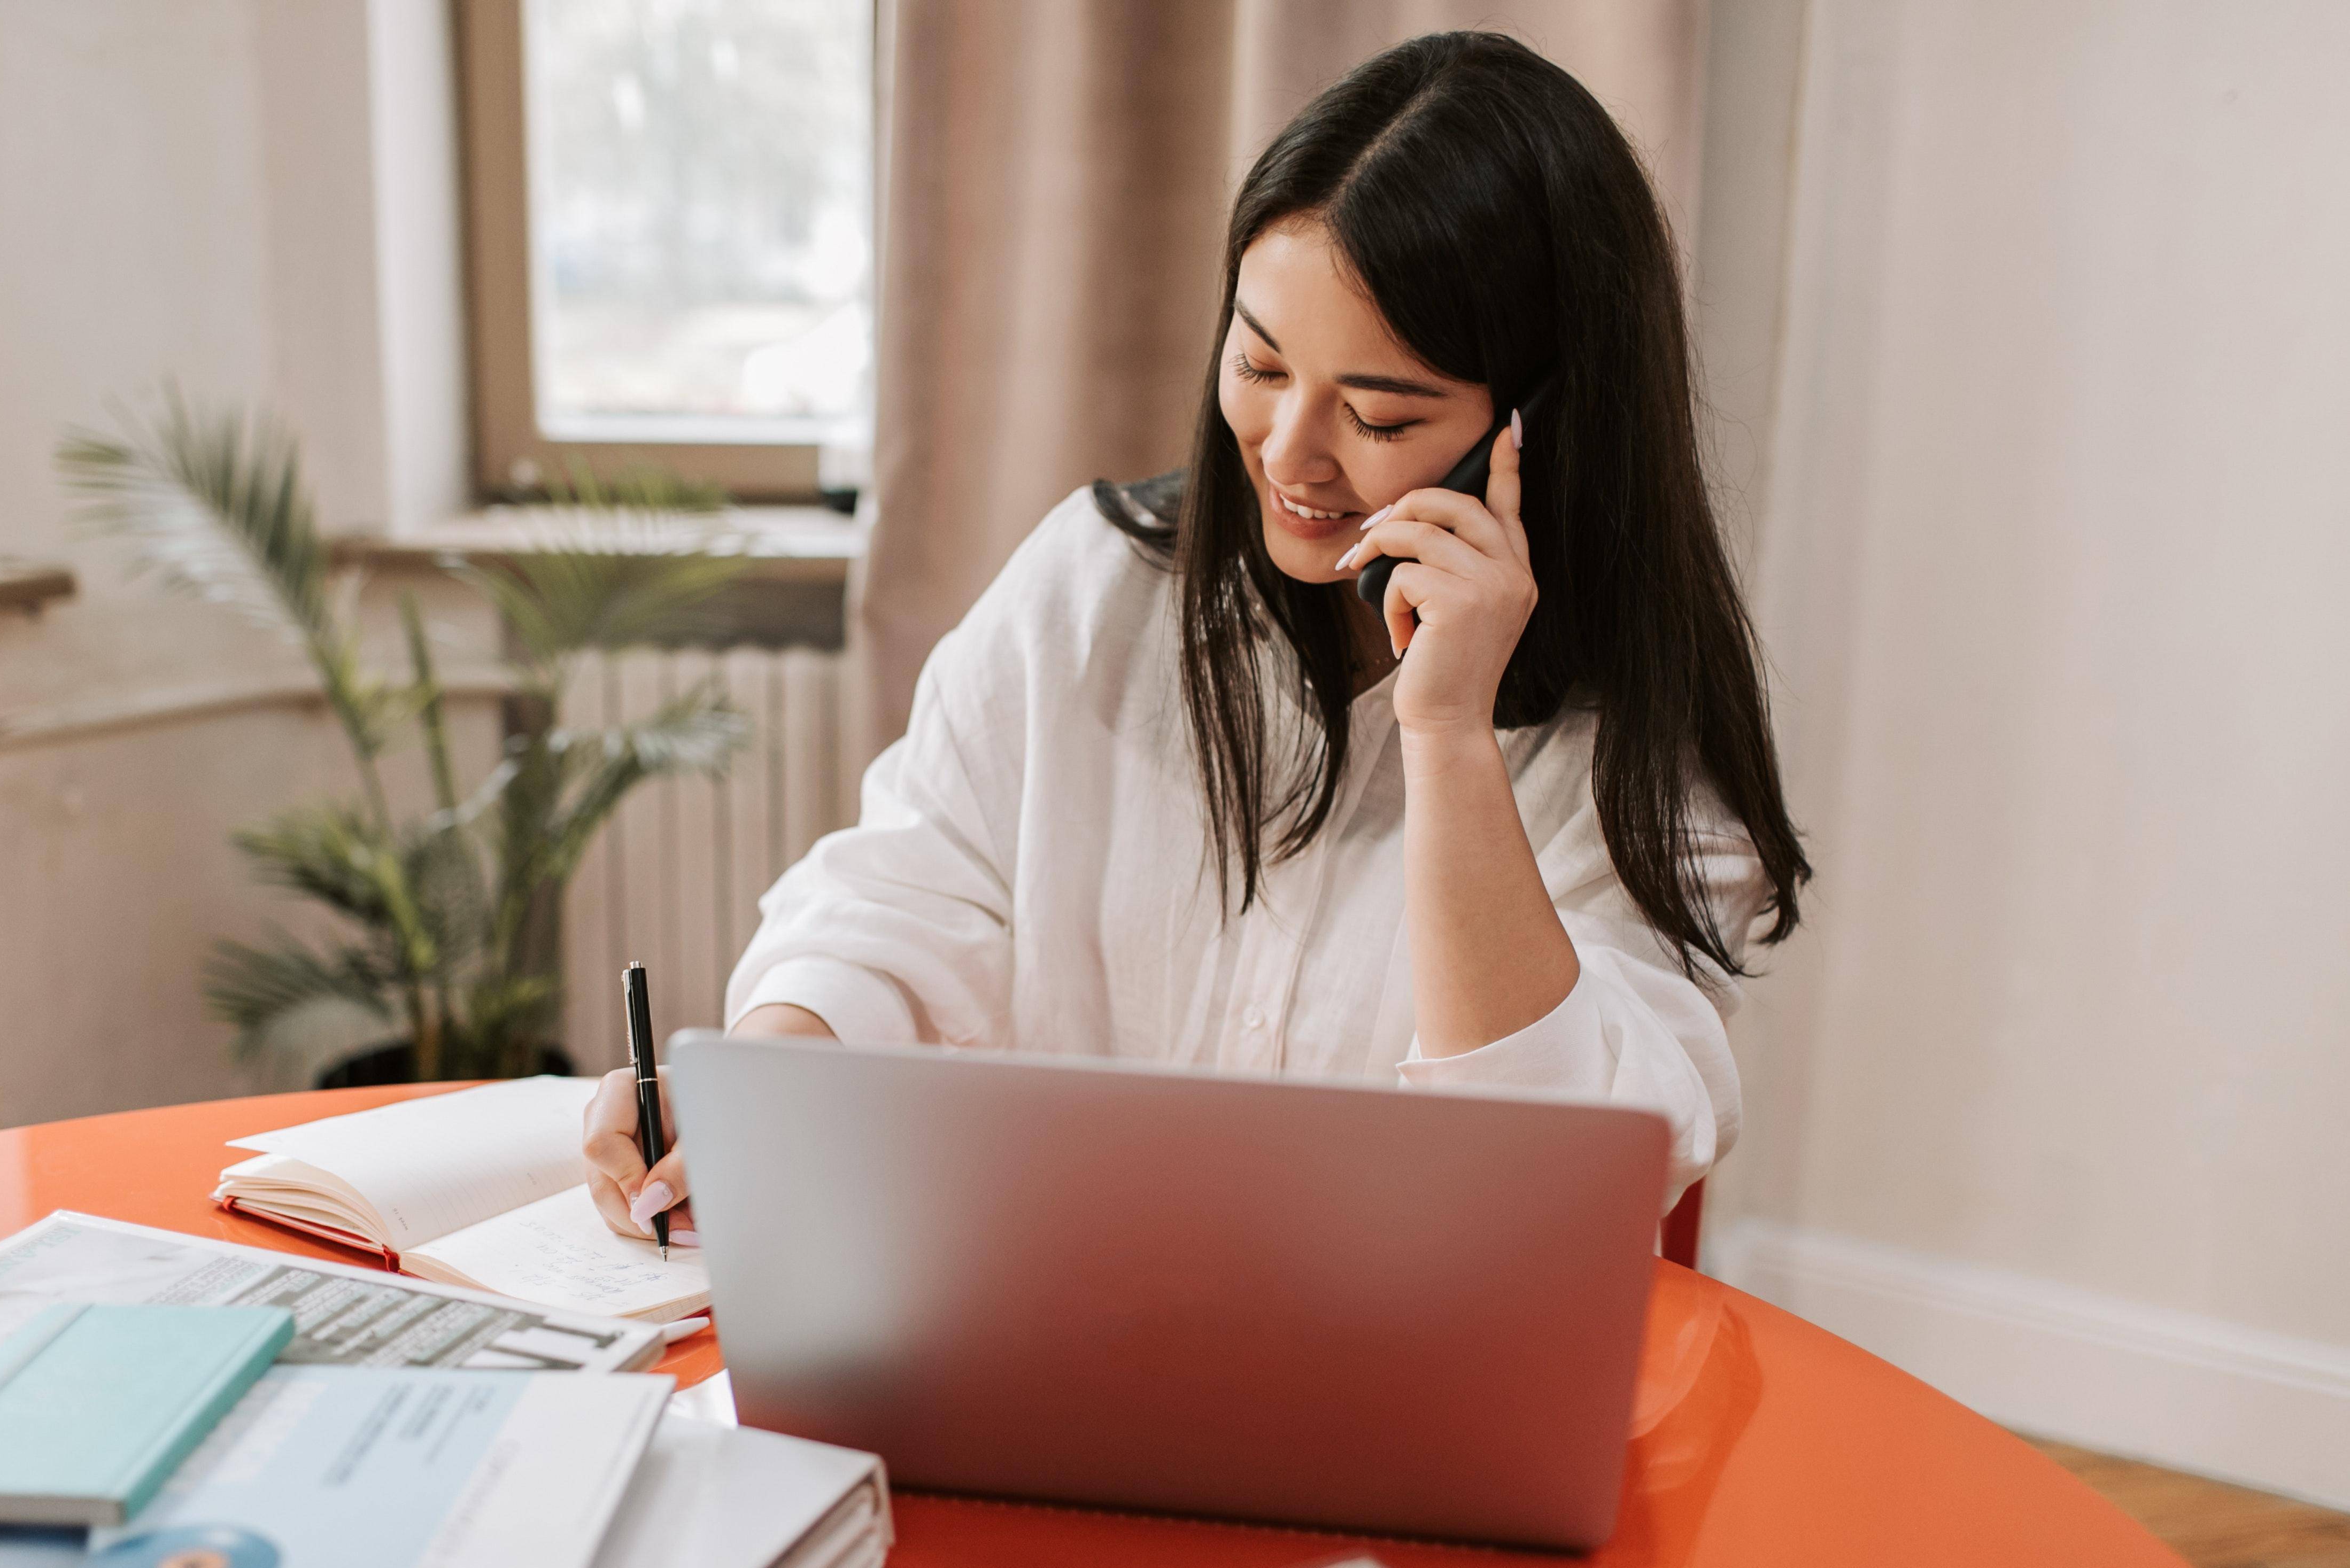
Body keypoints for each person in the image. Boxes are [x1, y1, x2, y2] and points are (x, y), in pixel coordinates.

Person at [584, 31, 1810, 1247]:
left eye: (1377, 413)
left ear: (1540, 428)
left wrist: (1447, 738)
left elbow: (1553, 1183)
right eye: (1259, 364)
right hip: (1043, 1328)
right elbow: (903, 895)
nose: (1286, 452)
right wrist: (763, 1092)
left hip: (1397, 1392)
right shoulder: (1096, 585)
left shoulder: (1642, 746)